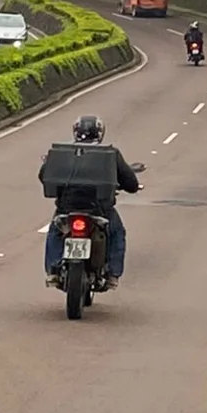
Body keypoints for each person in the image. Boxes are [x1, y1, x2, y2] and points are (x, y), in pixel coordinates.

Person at [41, 115, 140, 289]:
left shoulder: (62, 153)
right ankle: (113, 274)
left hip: (67, 207)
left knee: (55, 232)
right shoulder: (110, 154)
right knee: (117, 233)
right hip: (100, 210)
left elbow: (44, 176)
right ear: (100, 133)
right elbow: (130, 183)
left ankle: (53, 271)